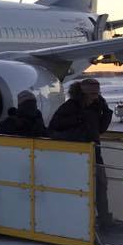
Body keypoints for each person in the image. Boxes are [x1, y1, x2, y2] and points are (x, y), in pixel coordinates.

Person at [48, 78, 114, 229]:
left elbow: (101, 129)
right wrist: (78, 120)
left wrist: (106, 111)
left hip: (95, 153)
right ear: (83, 93)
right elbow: (53, 128)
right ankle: (80, 221)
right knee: (80, 188)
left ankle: (105, 220)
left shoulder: (96, 106)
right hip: (77, 155)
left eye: (97, 94)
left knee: (101, 186)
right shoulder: (69, 107)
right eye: (91, 94)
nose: (95, 96)